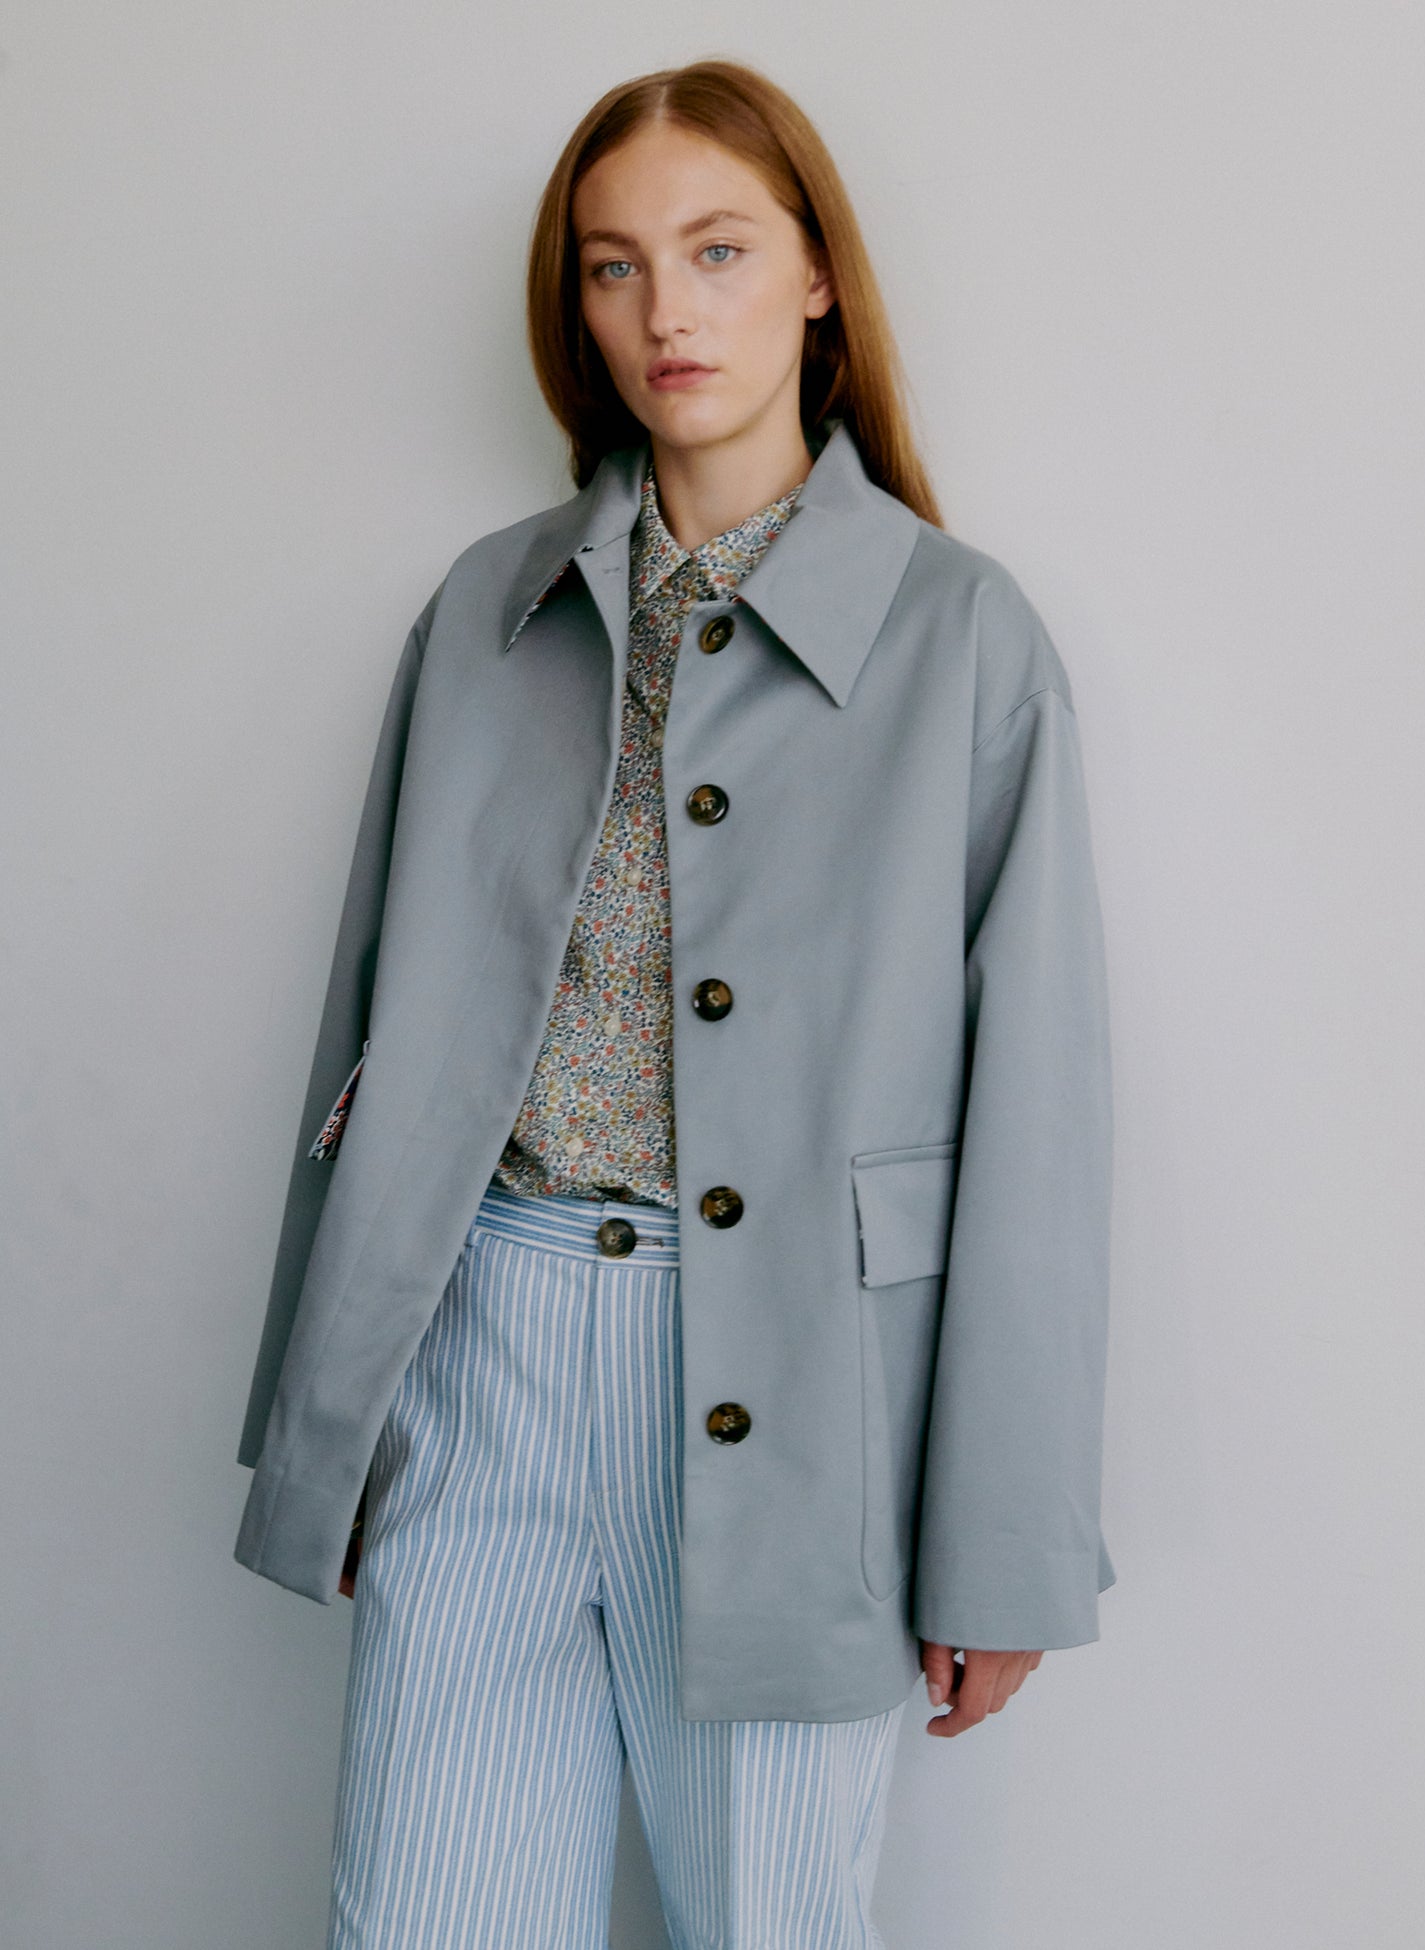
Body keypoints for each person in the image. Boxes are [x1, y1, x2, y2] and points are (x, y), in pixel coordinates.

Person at [233, 56, 1116, 1950]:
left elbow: (1038, 1127)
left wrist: (1008, 1535)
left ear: (815, 279)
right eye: (615, 267)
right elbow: (366, 1037)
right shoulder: (485, 612)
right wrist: (330, 1416)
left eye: (718, 251)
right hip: (488, 1343)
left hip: (801, 1397)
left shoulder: (966, 642)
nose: (666, 311)